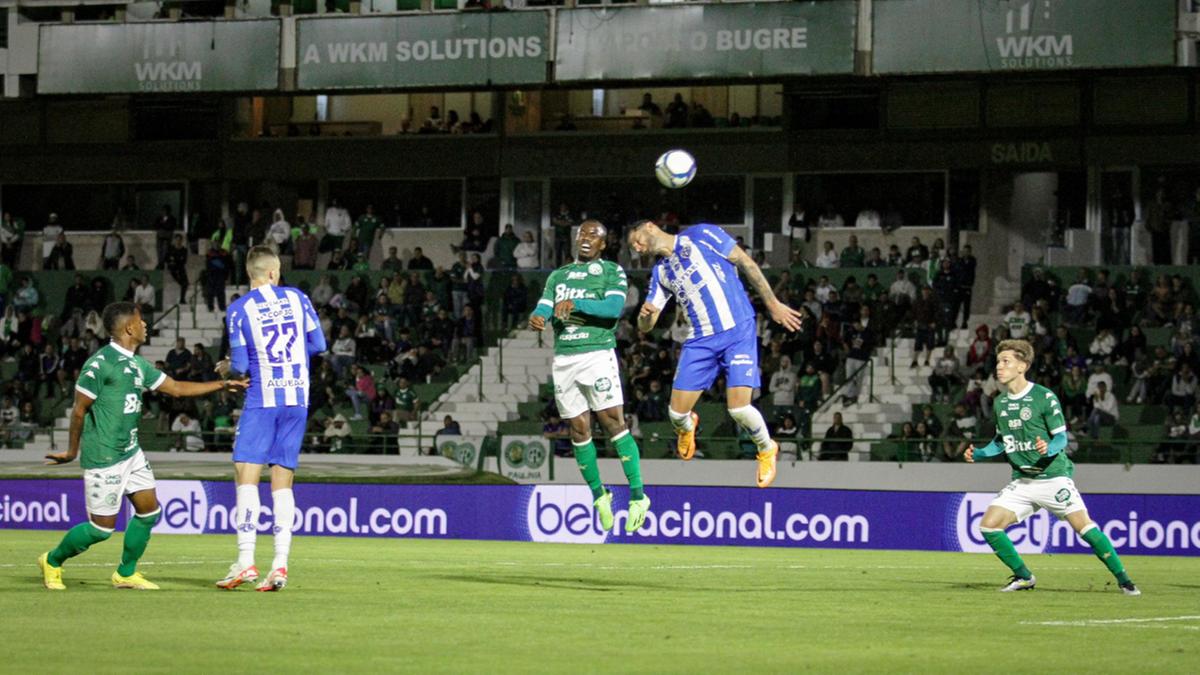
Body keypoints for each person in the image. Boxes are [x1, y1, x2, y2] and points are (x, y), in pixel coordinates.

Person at [39, 302, 247, 591]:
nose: (145, 325)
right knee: (101, 530)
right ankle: (52, 560)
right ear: (128, 328)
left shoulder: (137, 364)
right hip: (104, 455)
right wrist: (72, 451)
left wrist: (223, 386)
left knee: (150, 512)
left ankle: (125, 573)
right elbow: (78, 410)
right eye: (141, 321)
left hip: (131, 451)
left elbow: (175, 388)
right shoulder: (100, 364)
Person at [628, 219, 804, 488]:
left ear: (650, 227)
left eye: (637, 240)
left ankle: (767, 448)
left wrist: (773, 304)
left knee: (740, 409)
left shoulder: (700, 234)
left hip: (738, 330)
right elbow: (647, 324)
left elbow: (746, 262)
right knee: (676, 416)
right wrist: (645, 319)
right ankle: (689, 427)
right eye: (633, 247)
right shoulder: (660, 273)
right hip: (700, 340)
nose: (637, 248)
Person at [964, 339, 1139, 595]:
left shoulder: (1044, 397)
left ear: (1022, 366)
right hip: (1023, 482)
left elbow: (1061, 437)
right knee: (989, 526)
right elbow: (1002, 441)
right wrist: (980, 453)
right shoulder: (1000, 402)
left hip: (1053, 478)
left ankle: (1125, 581)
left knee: (1085, 529)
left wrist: (1049, 447)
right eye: (998, 361)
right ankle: (1024, 577)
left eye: (1006, 362)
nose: (998, 367)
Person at [215, 246, 327, 592]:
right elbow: (319, 344)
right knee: (282, 481)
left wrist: (224, 369)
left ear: (250, 274)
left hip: (263, 400)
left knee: (246, 476)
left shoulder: (239, 309)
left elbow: (242, 368)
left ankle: (246, 561)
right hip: (297, 399)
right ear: (274, 273)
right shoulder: (298, 297)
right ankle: (280, 565)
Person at [530, 220, 650, 533]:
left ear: (603, 244)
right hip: (564, 358)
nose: (585, 238)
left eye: (593, 235)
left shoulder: (611, 271)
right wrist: (538, 316)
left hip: (596, 353)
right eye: (581, 233)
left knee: (613, 423)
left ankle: (638, 496)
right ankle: (599, 495)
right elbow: (546, 303)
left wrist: (576, 303)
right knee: (578, 429)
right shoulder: (559, 275)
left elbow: (612, 309)